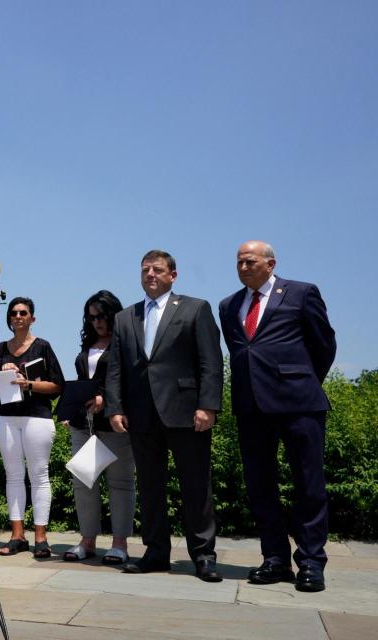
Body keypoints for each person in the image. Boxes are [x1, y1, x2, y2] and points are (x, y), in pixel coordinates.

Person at [218, 241, 336, 592]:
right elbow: (242, 351)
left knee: (308, 484)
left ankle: (312, 562)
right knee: (260, 486)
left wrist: (300, 379)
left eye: (250, 261)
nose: (243, 267)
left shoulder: (301, 293)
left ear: (271, 263)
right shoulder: (228, 305)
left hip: (299, 403)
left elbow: (324, 345)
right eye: (238, 262)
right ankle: (275, 559)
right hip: (251, 406)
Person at [104, 250, 223, 582]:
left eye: (157, 270)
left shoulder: (195, 308)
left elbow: (211, 362)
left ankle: (203, 555)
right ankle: (156, 552)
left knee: (196, 485)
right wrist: (115, 407)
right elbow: (116, 369)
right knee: (150, 487)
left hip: (187, 412)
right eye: (145, 270)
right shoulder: (125, 318)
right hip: (142, 415)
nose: (150, 275)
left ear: (173, 274)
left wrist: (208, 405)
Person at [63, 290, 135, 564]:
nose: (97, 323)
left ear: (113, 315)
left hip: (114, 423)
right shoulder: (89, 344)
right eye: (92, 318)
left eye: (102, 317)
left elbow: (131, 380)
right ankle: (87, 540)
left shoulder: (126, 343)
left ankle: (119, 543)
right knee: (83, 482)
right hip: (85, 423)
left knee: (120, 483)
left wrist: (108, 399)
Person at [0, 296, 64, 558]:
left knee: (39, 474)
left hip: (38, 416)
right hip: (7, 416)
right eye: (13, 313)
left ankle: (41, 537)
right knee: (12, 475)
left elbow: (57, 386)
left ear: (32, 317)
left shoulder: (43, 346)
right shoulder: (0, 349)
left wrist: (29, 384)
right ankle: (17, 535)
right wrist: (2, 371)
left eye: (23, 312)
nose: (18, 316)